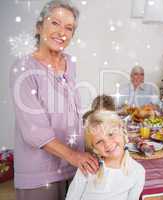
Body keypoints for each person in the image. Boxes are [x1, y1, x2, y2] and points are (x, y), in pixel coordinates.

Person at [9, 1, 98, 199]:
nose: (62, 32)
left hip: (74, 168)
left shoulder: (70, 62)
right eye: (55, 23)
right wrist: (74, 156)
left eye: (69, 28)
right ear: (40, 26)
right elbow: (34, 132)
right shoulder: (23, 68)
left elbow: (69, 112)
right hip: (41, 173)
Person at [66, 111, 145, 200]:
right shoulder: (89, 167)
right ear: (94, 148)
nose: (107, 144)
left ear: (122, 130)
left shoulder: (137, 171)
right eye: (99, 141)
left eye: (111, 134)